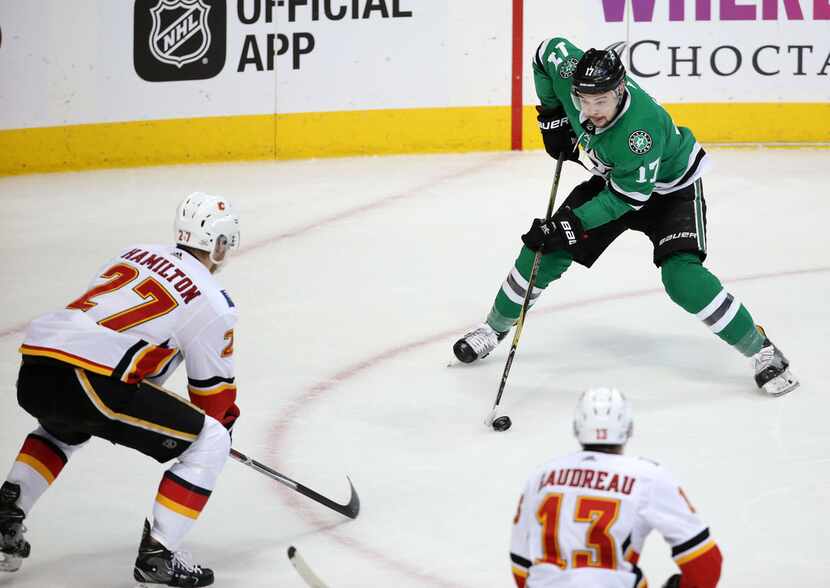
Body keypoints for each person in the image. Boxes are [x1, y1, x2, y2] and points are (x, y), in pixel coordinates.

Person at [452, 38, 798, 397]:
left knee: (681, 278)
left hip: (669, 190)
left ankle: (763, 351)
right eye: (583, 101)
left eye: (600, 101)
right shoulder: (573, 75)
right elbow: (545, 52)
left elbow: (627, 199)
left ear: (619, 90)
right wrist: (553, 115)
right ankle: (493, 329)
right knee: (543, 250)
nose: (591, 111)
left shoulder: (639, 132)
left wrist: (571, 225)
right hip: (615, 180)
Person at [0, 192, 241, 586]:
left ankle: (7, 512)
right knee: (210, 440)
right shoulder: (213, 302)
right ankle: (160, 555)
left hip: (37, 367)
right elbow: (213, 399)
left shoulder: (135, 252)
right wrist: (221, 435)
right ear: (219, 245)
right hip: (92, 379)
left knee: (66, 423)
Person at [510, 387, 723, 588]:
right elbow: (705, 562)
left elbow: (520, 561)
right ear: (629, 427)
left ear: (577, 427)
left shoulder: (541, 476)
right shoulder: (648, 476)